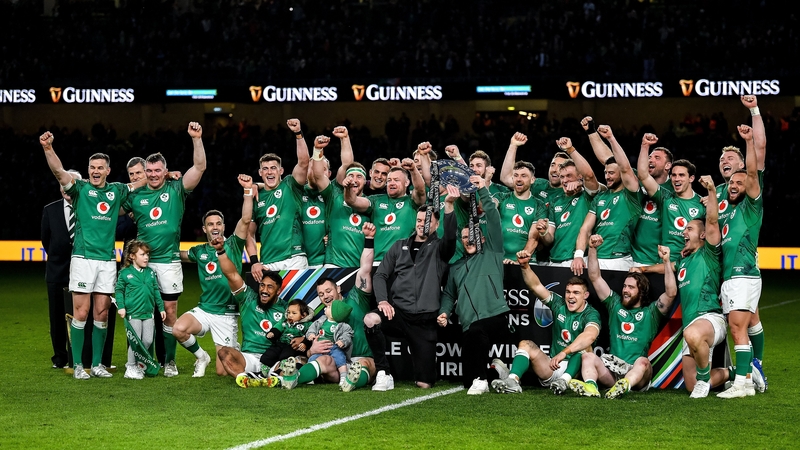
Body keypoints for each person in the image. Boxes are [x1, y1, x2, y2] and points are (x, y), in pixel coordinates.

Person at [41, 131, 144, 379]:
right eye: (92, 167)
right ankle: (78, 366)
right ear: (88, 170)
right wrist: (48, 148)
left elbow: (141, 182)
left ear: (108, 171)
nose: (95, 171)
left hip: (107, 260)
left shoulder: (118, 190)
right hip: (83, 259)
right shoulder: (80, 189)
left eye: (100, 167)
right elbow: (59, 172)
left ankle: (97, 365)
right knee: (81, 312)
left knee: (102, 312)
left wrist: (167, 175)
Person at [122, 122, 207, 377]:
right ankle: (137, 361)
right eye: (149, 171)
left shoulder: (176, 188)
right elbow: (109, 209)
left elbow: (199, 167)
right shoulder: (135, 196)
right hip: (141, 263)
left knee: (170, 313)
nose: (153, 174)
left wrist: (196, 139)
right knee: (139, 312)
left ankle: (169, 362)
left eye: (158, 170)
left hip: (169, 262)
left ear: (166, 171)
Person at [634, 175, 731, 398]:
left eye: (689, 229)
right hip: (692, 327)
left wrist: (712, 192)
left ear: (703, 235)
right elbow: (670, 278)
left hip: (710, 319)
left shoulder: (710, 253)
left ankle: (705, 380)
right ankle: (737, 373)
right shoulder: (685, 260)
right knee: (690, 384)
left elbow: (713, 221)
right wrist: (651, 267)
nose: (683, 233)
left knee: (692, 334)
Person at [363, 186, 458, 390]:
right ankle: (383, 373)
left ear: (436, 224)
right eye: (419, 220)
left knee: (424, 384)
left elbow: (451, 238)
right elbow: (380, 275)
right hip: (399, 314)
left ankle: (423, 372)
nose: (422, 224)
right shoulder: (399, 246)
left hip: (425, 319)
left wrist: (448, 205)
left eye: (427, 221)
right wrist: (383, 300)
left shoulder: (441, 248)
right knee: (371, 320)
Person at [568, 235, 676, 399]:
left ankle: (624, 385)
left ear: (641, 291)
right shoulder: (614, 304)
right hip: (612, 372)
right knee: (588, 356)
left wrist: (667, 262)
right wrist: (592, 248)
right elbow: (595, 277)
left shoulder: (651, 313)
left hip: (636, 376)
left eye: (631, 287)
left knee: (643, 362)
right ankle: (591, 386)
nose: (625, 290)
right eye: (625, 286)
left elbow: (671, 293)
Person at [279, 222, 378, 393]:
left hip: (361, 358)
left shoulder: (356, 298)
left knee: (363, 364)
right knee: (323, 361)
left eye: (328, 291)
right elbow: (311, 352)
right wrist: (312, 351)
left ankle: (352, 380)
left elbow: (365, 269)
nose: (325, 296)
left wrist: (369, 239)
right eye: (321, 294)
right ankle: (294, 378)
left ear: (338, 289)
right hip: (336, 364)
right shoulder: (324, 318)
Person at [437, 175, 513, 395]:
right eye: (464, 237)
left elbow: (493, 218)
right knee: (466, 381)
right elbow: (449, 295)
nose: (468, 240)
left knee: (476, 333)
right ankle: (495, 373)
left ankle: (481, 378)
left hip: (495, 317)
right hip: (469, 324)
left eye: (472, 235)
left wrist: (483, 190)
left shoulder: (493, 251)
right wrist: (444, 312)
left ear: (481, 237)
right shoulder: (456, 267)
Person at [173, 175, 254, 377]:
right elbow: (178, 255)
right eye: (210, 224)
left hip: (227, 314)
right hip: (205, 309)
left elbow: (246, 220)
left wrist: (247, 192)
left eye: (218, 223)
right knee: (179, 329)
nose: (215, 227)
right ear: (204, 229)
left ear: (224, 227)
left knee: (223, 372)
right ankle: (202, 356)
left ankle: (237, 348)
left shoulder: (234, 244)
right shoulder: (198, 251)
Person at [715, 95, 768, 392]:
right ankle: (752, 371)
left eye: (731, 160)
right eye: (722, 159)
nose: (725, 162)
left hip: (743, 267)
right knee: (749, 318)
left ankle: (750, 371)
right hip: (727, 269)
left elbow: (758, 149)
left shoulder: (748, 186)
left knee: (742, 323)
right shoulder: (721, 194)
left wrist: (754, 112)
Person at [491, 252, 601, 395]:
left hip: (577, 373)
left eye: (576, 293)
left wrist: (564, 353)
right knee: (525, 344)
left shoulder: (591, 314)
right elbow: (536, 286)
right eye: (568, 292)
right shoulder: (559, 304)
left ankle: (565, 381)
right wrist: (524, 266)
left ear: (585, 296)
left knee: (585, 348)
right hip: (553, 366)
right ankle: (512, 380)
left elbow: (590, 336)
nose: (570, 296)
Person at [211, 237, 287, 379]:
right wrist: (221, 251)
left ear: (278, 291)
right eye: (262, 285)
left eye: (270, 287)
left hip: (272, 358)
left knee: (292, 364)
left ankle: (262, 375)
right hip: (249, 357)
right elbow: (232, 275)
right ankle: (245, 379)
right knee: (223, 353)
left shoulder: (286, 309)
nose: (264, 290)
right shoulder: (249, 298)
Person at [572, 125, 641, 272]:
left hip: (618, 259)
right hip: (594, 256)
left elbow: (626, 168)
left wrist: (610, 138)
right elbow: (585, 229)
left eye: (611, 173)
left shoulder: (632, 195)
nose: (606, 176)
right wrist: (578, 255)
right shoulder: (600, 197)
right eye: (605, 172)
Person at [248, 118, 310, 276]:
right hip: (268, 262)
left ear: (281, 171)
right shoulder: (255, 197)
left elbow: (303, 162)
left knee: (299, 301)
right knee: (272, 302)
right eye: (265, 169)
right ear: (260, 173)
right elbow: (249, 233)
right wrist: (255, 262)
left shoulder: (290, 185)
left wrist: (298, 133)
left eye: (273, 168)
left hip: (295, 257)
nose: (270, 172)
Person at [309, 130, 370, 268]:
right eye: (351, 176)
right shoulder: (334, 195)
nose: (354, 180)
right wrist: (318, 150)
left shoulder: (370, 203)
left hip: (359, 266)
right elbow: (319, 176)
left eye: (359, 176)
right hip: (333, 264)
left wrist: (345, 138)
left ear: (365, 181)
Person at [345, 160, 426, 263]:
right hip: (378, 262)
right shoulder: (375, 200)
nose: (391, 183)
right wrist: (347, 188)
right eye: (389, 180)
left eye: (396, 180)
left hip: (404, 262)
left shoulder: (412, 201)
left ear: (406, 183)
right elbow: (352, 201)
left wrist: (413, 169)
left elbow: (420, 190)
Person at [540, 138, 603, 269]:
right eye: (562, 177)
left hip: (578, 259)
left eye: (569, 175)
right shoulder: (555, 202)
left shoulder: (587, 195)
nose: (564, 180)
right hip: (554, 260)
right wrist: (543, 232)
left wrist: (581, 183)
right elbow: (549, 239)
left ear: (579, 176)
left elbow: (590, 176)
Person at [42, 169, 82, 369]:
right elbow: (46, 242)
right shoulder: (50, 210)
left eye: (73, 183)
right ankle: (60, 357)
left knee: (82, 315)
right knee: (57, 317)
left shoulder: (88, 208)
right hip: (57, 272)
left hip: (84, 271)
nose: (66, 187)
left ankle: (82, 355)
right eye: (63, 182)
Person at [637, 153, 705, 262]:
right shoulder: (666, 198)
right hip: (666, 262)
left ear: (691, 178)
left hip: (690, 262)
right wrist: (645, 146)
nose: (676, 179)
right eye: (674, 175)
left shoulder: (703, 203)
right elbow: (643, 176)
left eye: (681, 175)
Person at [494, 134, 548, 265]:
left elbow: (533, 238)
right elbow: (486, 207)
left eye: (524, 176)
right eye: (516, 175)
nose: (518, 179)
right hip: (499, 261)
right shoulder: (501, 197)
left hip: (526, 261)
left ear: (532, 180)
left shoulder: (539, 205)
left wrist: (521, 260)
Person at [115, 240, 166, 379]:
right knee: (135, 342)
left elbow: (156, 290)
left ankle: (139, 365)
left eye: (147, 254)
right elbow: (119, 291)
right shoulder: (125, 273)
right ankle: (130, 367)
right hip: (133, 314)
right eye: (142, 254)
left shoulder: (150, 273)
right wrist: (121, 307)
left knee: (148, 341)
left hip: (149, 313)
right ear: (132, 256)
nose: (146, 257)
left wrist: (161, 308)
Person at [305, 300, 354, 390]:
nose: (325, 307)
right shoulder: (321, 320)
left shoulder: (343, 326)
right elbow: (313, 327)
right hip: (320, 347)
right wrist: (311, 334)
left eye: (329, 307)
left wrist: (342, 341)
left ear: (333, 314)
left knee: (340, 357)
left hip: (334, 347)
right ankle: (310, 377)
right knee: (312, 359)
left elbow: (348, 335)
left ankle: (344, 376)